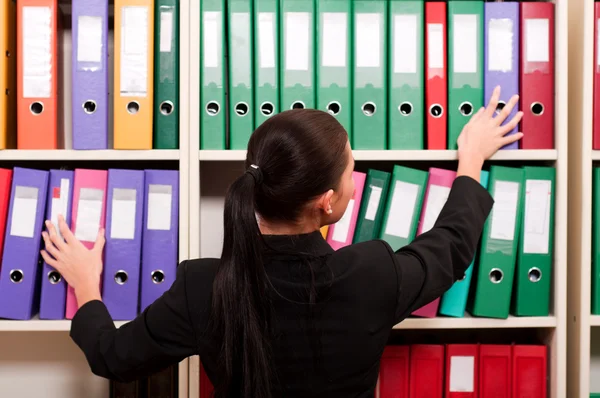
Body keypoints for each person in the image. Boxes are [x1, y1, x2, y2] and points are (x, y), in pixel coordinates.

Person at [41, 86, 523, 398]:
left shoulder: (202, 287)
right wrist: (471, 161)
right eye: (352, 167)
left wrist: (88, 287)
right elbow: (452, 247)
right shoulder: (372, 273)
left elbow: (113, 358)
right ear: (328, 203)